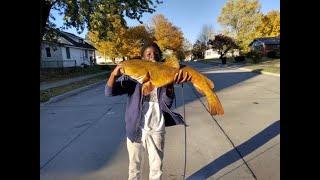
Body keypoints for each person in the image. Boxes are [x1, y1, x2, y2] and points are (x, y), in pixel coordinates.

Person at [105, 42, 191, 180]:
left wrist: (169, 85)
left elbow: (167, 103)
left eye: (156, 54)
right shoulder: (132, 78)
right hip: (135, 129)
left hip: (156, 129)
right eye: (148, 54)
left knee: (156, 169)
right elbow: (109, 92)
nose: (153, 56)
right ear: (142, 58)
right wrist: (113, 75)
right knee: (134, 169)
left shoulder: (164, 75)